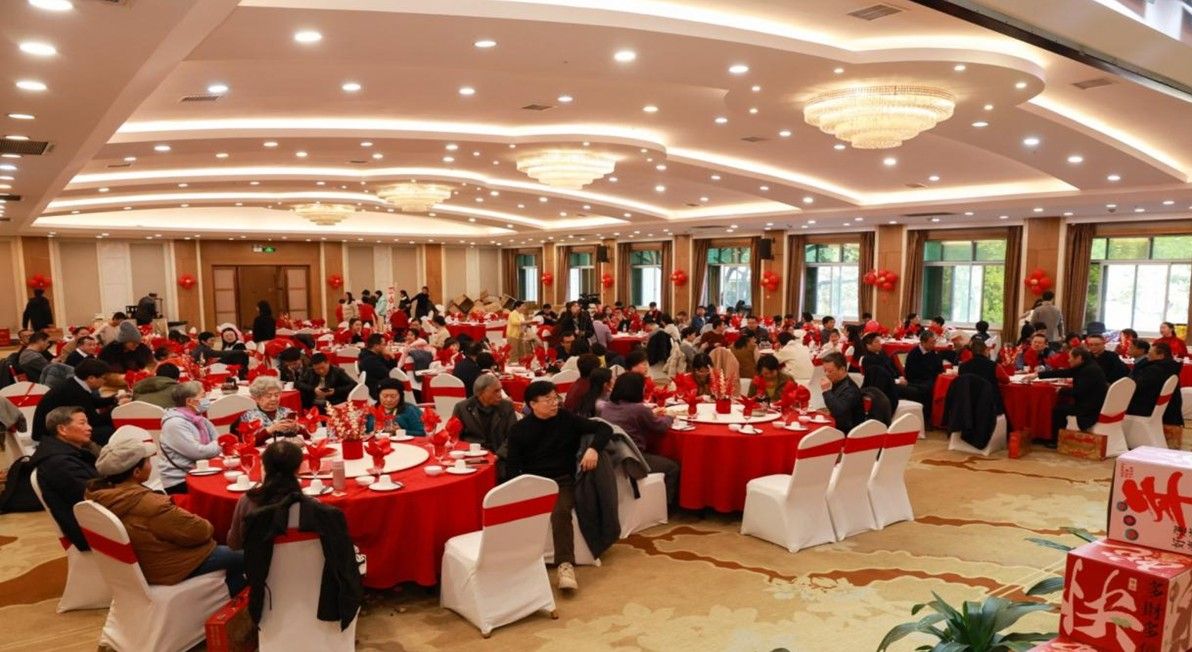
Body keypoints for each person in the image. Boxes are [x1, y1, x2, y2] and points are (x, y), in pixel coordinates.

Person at [84, 436, 245, 596]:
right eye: (147, 461)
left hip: (138, 566)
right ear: (136, 472)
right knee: (247, 554)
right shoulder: (149, 505)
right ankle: (234, 601)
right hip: (170, 566)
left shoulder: (98, 496)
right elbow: (201, 532)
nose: (151, 465)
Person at [236, 441, 362, 630]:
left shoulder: (247, 502)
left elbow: (235, 543)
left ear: (264, 466)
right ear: (298, 468)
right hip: (317, 589)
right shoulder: (314, 509)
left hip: (266, 587)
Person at [506, 380, 612, 591]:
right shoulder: (519, 430)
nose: (554, 403)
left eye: (556, 398)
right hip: (532, 482)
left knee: (560, 512)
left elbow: (604, 428)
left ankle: (565, 565)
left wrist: (593, 449)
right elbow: (512, 466)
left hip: (561, 481)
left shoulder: (566, 419)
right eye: (548, 400)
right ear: (532, 404)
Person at [596, 372, 679, 504]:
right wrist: (670, 416)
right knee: (673, 467)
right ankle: (667, 506)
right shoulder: (638, 409)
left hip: (612, 457)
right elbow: (660, 427)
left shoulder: (607, 407)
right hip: (633, 459)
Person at [29, 407, 100, 550]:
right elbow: (93, 497)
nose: (89, 428)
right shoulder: (58, 462)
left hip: (93, 519)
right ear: (62, 429)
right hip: (92, 529)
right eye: (82, 423)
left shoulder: (67, 453)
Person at [32, 358, 122, 444]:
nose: (105, 382)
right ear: (91, 378)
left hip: (58, 428)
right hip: (49, 435)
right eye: (104, 378)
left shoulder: (74, 383)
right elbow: (94, 421)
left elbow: (92, 402)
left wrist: (115, 399)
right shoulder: (74, 391)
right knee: (108, 431)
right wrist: (117, 409)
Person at [158, 382, 221, 494]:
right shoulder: (174, 424)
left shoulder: (199, 418)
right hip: (180, 480)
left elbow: (219, 440)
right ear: (189, 401)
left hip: (203, 470)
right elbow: (199, 453)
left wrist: (219, 444)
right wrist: (219, 445)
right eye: (203, 396)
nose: (206, 399)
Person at [451, 373, 517, 455]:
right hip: (471, 455)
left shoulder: (506, 407)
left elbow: (513, 437)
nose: (500, 395)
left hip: (499, 455)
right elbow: (453, 438)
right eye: (496, 391)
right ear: (481, 393)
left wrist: (499, 455)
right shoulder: (462, 408)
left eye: (500, 390)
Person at [239, 376, 303, 443]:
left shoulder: (287, 412)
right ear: (257, 398)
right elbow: (245, 441)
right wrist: (270, 430)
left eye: (276, 395)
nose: (273, 399)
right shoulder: (248, 416)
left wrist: (297, 428)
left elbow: (306, 435)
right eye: (268, 396)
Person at [900, 331, 945, 421]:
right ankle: (926, 417)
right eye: (931, 342)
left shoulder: (933, 352)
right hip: (916, 380)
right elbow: (911, 373)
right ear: (923, 342)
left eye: (934, 342)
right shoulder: (914, 354)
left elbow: (939, 368)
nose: (934, 345)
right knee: (928, 388)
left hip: (930, 379)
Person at [819, 353, 864, 433]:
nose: (826, 374)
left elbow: (839, 411)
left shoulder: (850, 389)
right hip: (839, 426)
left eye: (830, 371)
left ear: (842, 369)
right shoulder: (837, 383)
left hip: (848, 432)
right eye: (825, 371)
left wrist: (826, 391)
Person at [958, 340, 1006, 413]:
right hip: (989, 402)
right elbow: (1006, 380)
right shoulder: (994, 365)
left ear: (972, 352)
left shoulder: (962, 366)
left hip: (968, 401)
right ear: (985, 350)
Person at [859, 332, 902, 411]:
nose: (880, 343)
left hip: (895, 381)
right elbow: (879, 379)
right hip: (886, 388)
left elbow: (893, 367)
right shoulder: (868, 359)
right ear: (868, 345)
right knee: (916, 392)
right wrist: (898, 381)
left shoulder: (882, 353)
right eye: (876, 342)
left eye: (879, 341)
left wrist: (900, 376)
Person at [357, 333, 396, 398]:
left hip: (378, 385)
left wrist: (388, 358)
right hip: (378, 390)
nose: (385, 347)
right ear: (376, 346)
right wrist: (392, 356)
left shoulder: (369, 355)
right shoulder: (370, 360)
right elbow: (390, 374)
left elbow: (390, 370)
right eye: (384, 344)